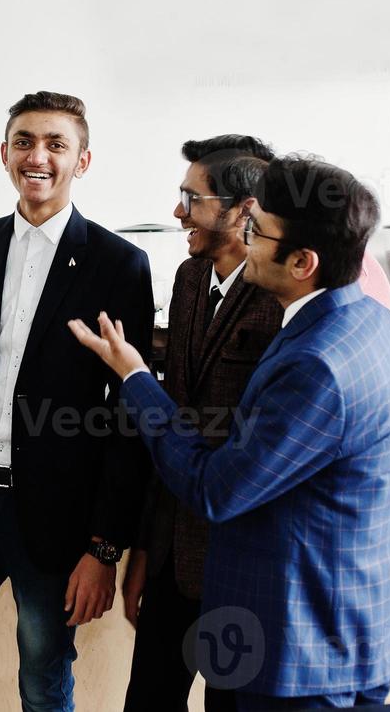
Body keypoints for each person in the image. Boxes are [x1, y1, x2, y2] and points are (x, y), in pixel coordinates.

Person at [70, 154, 390, 710]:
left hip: (305, 654)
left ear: (301, 262)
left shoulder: (317, 364)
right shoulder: (376, 326)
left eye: (257, 230)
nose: (246, 237)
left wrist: (136, 378)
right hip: (363, 634)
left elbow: (217, 488)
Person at [0, 90, 154, 711]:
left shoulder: (120, 263)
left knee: (44, 678)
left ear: (83, 161)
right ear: (4, 153)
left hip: (56, 516)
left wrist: (104, 548)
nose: (37, 156)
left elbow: (128, 415)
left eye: (56, 144)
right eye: (24, 142)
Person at [122, 136, 281, 712]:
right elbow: (173, 421)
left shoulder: (282, 295)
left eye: (192, 198)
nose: (177, 211)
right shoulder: (189, 279)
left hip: (247, 570)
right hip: (171, 557)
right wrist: (143, 550)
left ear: (243, 210)